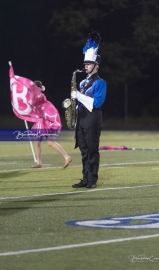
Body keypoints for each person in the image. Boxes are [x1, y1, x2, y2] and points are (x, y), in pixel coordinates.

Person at [71, 30, 107, 188]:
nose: (85, 66)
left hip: (93, 119)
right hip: (82, 118)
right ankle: (85, 178)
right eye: (85, 64)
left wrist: (78, 96)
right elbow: (80, 102)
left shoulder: (101, 83)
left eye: (89, 64)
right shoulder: (82, 83)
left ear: (96, 66)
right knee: (84, 150)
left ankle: (92, 180)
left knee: (92, 149)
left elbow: (97, 103)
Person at [31, 80, 72, 169]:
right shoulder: (37, 94)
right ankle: (39, 162)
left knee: (50, 142)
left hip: (46, 116)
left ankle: (67, 157)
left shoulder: (39, 95)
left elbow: (32, 102)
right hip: (42, 116)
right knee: (37, 141)